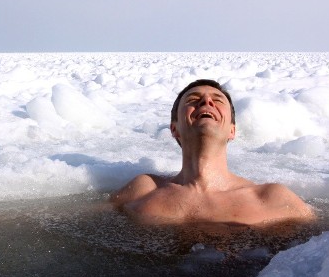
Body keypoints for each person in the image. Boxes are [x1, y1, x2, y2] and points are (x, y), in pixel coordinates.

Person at [111, 79, 316, 226]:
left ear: (232, 130)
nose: (206, 102)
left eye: (217, 100)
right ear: (174, 129)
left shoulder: (272, 198)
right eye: (193, 99)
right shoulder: (144, 189)